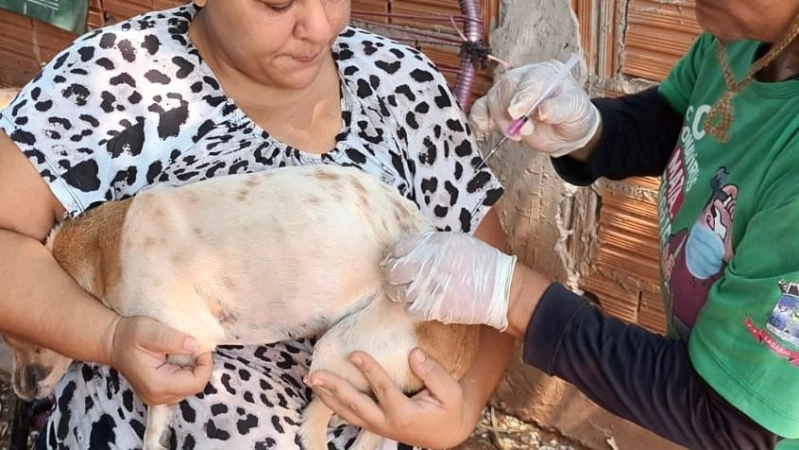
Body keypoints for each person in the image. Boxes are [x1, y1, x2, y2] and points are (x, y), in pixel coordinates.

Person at [0, 0, 515, 448]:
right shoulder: (111, 77)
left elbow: (500, 292)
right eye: (276, 2)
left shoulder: (402, 85)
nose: (320, 25)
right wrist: (109, 338)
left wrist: (461, 413)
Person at [305, 1, 799, 448]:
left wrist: (510, 295)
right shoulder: (740, 37)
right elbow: (679, 118)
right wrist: (590, 132)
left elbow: (729, 420)